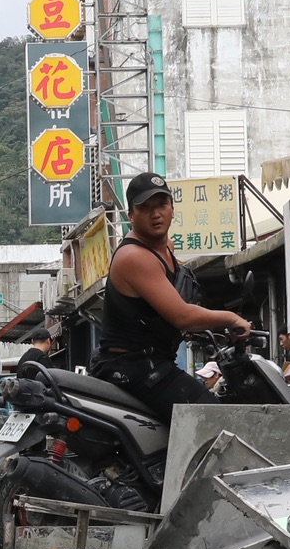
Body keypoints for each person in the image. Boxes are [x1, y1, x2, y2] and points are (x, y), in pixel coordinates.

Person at [95, 172, 251, 423]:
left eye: (161, 205)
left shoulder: (166, 247)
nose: (156, 213)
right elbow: (182, 316)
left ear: (172, 209)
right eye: (145, 207)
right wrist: (231, 318)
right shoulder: (134, 257)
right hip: (132, 366)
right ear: (131, 215)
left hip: (154, 361)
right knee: (212, 420)